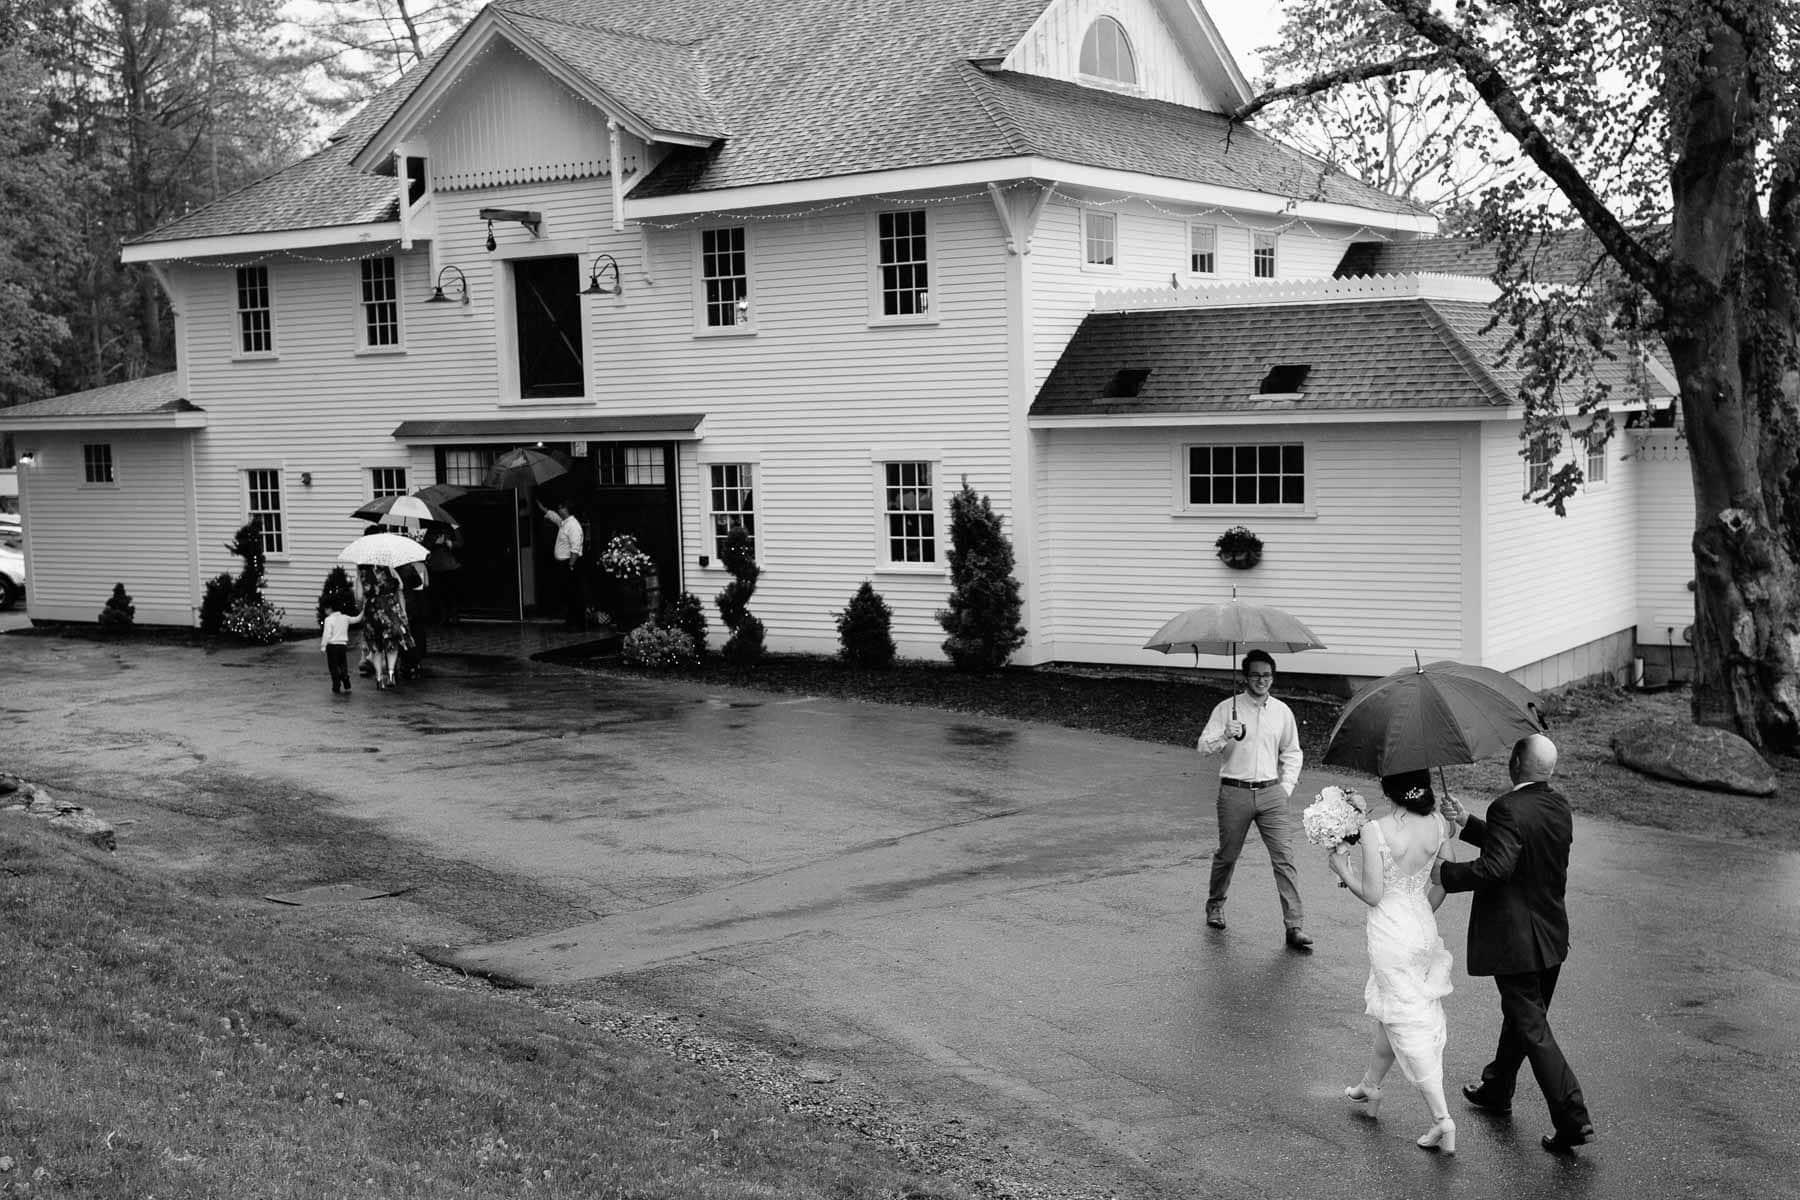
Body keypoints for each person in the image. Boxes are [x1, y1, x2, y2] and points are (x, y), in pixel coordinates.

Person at [1432, 733, 1596, 1155]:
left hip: (1517, 941)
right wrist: (1468, 823)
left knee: (1533, 1027)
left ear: (1517, 762)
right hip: (1550, 937)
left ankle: (1572, 1117)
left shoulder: (1507, 807)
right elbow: (1518, 847)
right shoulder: (1558, 805)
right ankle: (1496, 1088)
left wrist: (1446, 874)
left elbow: (1499, 866)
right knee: (1523, 1018)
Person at [1328, 769, 1457, 1155]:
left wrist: (1342, 869)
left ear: (1387, 789)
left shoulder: (1375, 830)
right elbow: (1445, 879)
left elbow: (1372, 893)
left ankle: (1442, 1120)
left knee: (1407, 1022)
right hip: (1421, 927)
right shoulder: (1437, 823)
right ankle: (1370, 1085)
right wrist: (1422, 913)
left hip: (1389, 934)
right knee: (1394, 1008)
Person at [1195, 649, 1310, 951]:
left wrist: (1285, 788)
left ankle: (1294, 926)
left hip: (1272, 793)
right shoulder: (1226, 708)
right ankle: (1215, 904)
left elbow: (1293, 752)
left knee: (1284, 859)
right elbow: (1203, 747)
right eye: (1256, 675)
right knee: (1228, 855)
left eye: (1267, 675)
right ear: (1245, 676)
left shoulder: (1282, 712)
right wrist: (1225, 735)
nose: (1262, 680)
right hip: (1235, 792)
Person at [357, 564, 413, 690]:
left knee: (376, 646)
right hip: (390, 608)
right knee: (392, 642)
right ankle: (391, 673)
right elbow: (400, 587)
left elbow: (359, 597)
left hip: (372, 611)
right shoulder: (389, 569)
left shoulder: (362, 572)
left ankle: (379, 678)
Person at [539, 499, 585, 629]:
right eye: (559, 508)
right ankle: (570, 622)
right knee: (568, 594)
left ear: (568, 509)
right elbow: (555, 518)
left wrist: (570, 565)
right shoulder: (564, 523)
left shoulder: (573, 526)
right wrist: (544, 509)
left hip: (570, 564)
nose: (559, 510)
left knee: (574, 594)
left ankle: (576, 624)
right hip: (564, 564)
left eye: (562, 508)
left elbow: (575, 548)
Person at [319, 599, 361, 695]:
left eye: (326, 609)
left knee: (333, 667)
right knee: (343, 665)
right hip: (342, 646)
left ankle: (336, 686)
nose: (325, 611)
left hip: (332, 646)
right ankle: (346, 683)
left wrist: (323, 646)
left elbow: (327, 634)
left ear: (330, 609)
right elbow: (356, 619)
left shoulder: (329, 620)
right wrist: (363, 611)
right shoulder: (345, 618)